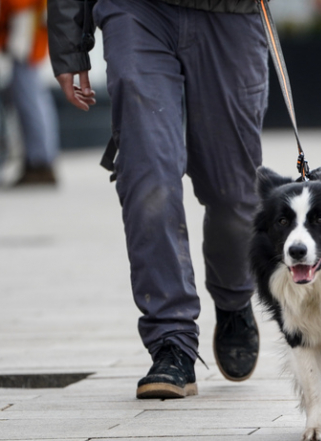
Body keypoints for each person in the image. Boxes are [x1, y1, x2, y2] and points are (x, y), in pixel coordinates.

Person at [47, 0, 269, 399]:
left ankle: (234, 295)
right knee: (148, 175)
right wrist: (69, 43)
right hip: (136, 11)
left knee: (235, 195)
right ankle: (171, 339)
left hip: (231, 15)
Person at [1, 0, 60, 185]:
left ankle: (40, 161)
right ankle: (40, 160)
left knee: (29, 97)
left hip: (23, 24)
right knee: (31, 95)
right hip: (24, 23)